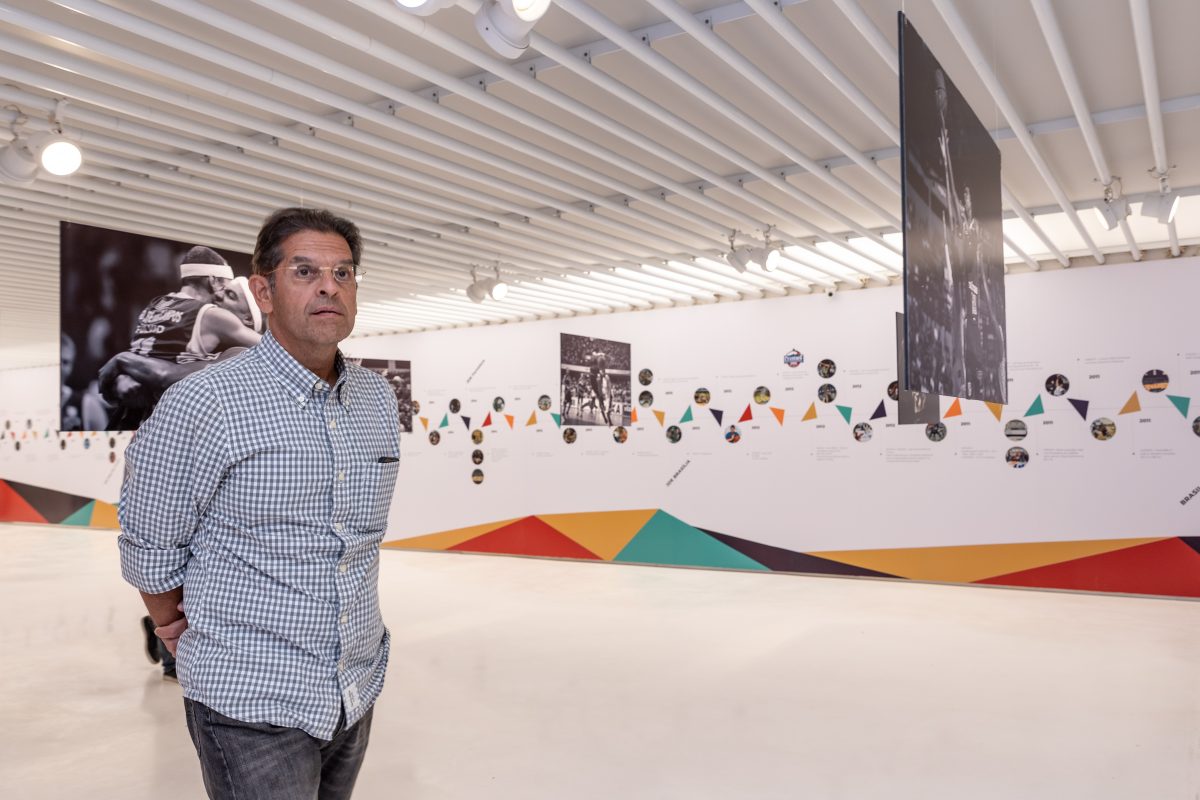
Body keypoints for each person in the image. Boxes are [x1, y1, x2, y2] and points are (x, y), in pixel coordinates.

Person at [118, 208, 400, 800]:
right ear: (263, 293)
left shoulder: (376, 399)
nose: (329, 286)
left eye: (343, 273)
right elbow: (151, 539)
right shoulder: (205, 401)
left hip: (353, 685)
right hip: (251, 700)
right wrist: (172, 625)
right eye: (305, 271)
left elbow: (355, 541)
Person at [101, 249, 263, 428]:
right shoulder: (208, 317)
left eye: (230, 295)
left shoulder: (156, 305)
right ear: (212, 281)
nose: (221, 297)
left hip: (129, 422)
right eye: (225, 288)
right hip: (152, 425)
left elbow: (161, 373)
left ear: (248, 319)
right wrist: (122, 378)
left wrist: (122, 363)